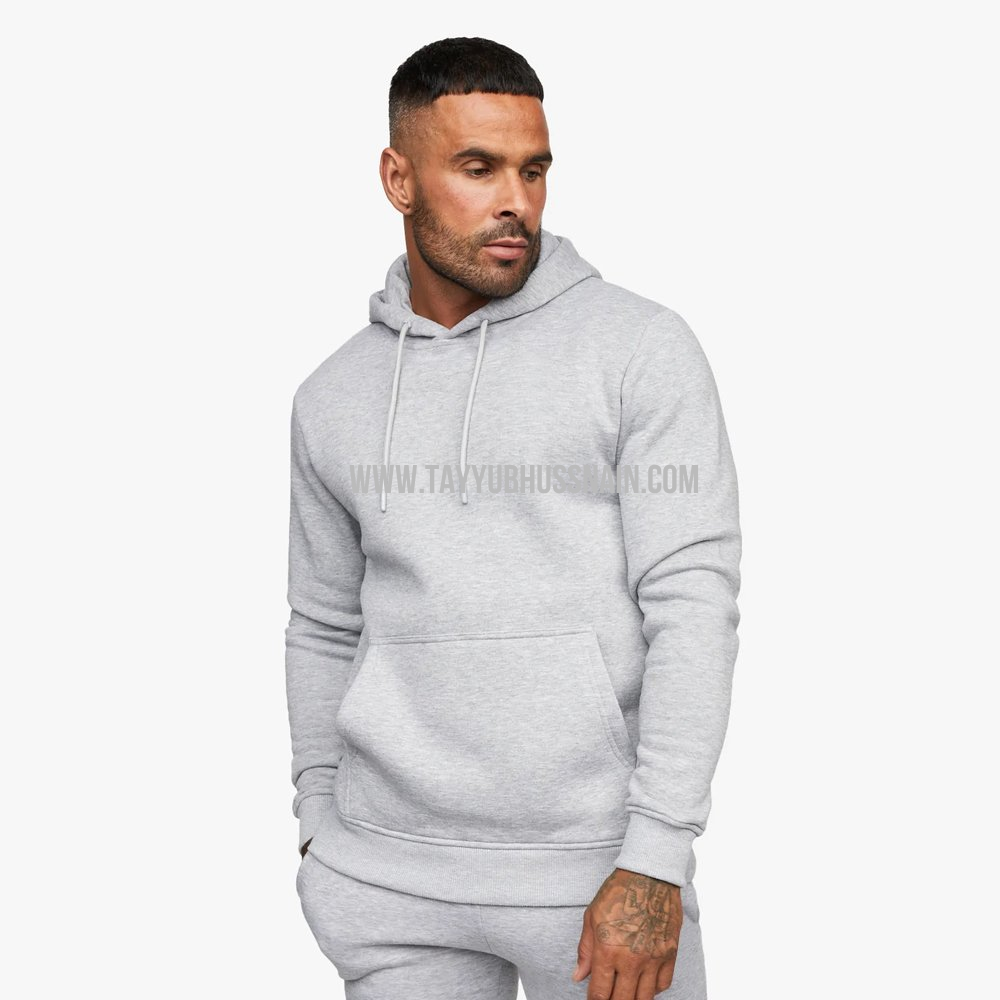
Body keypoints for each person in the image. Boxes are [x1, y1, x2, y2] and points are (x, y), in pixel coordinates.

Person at [285, 36, 741, 1000]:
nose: (516, 202)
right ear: (398, 179)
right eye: (478, 168)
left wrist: (656, 858)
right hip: (384, 880)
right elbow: (322, 624)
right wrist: (318, 821)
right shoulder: (333, 395)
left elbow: (693, 607)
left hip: (596, 880)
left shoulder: (638, 350)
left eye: (533, 170)